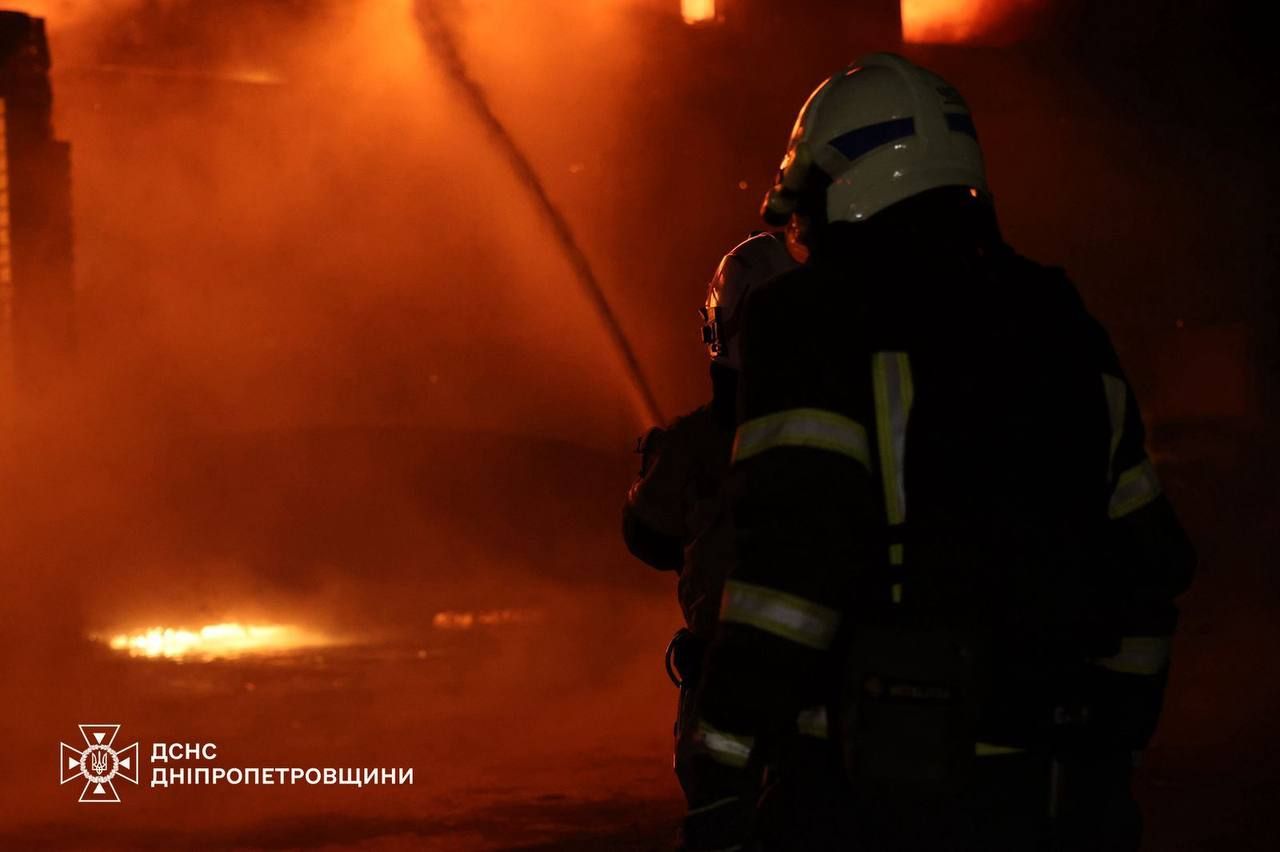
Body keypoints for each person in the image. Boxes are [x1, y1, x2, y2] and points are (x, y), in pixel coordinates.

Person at [679, 52, 1195, 851]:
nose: (801, 233)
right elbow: (1148, 567)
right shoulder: (1062, 323)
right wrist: (1103, 750)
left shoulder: (812, 324)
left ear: (850, 184)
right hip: (1051, 799)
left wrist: (720, 762)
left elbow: (790, 579)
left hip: (861, 801)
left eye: (805, 205)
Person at [623, 231, 797, 801]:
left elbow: (647, 536)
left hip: (724, 687)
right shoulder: (832, 427)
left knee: (720, 813)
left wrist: (655, 468)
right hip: (816, 685)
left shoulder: (696, 443)